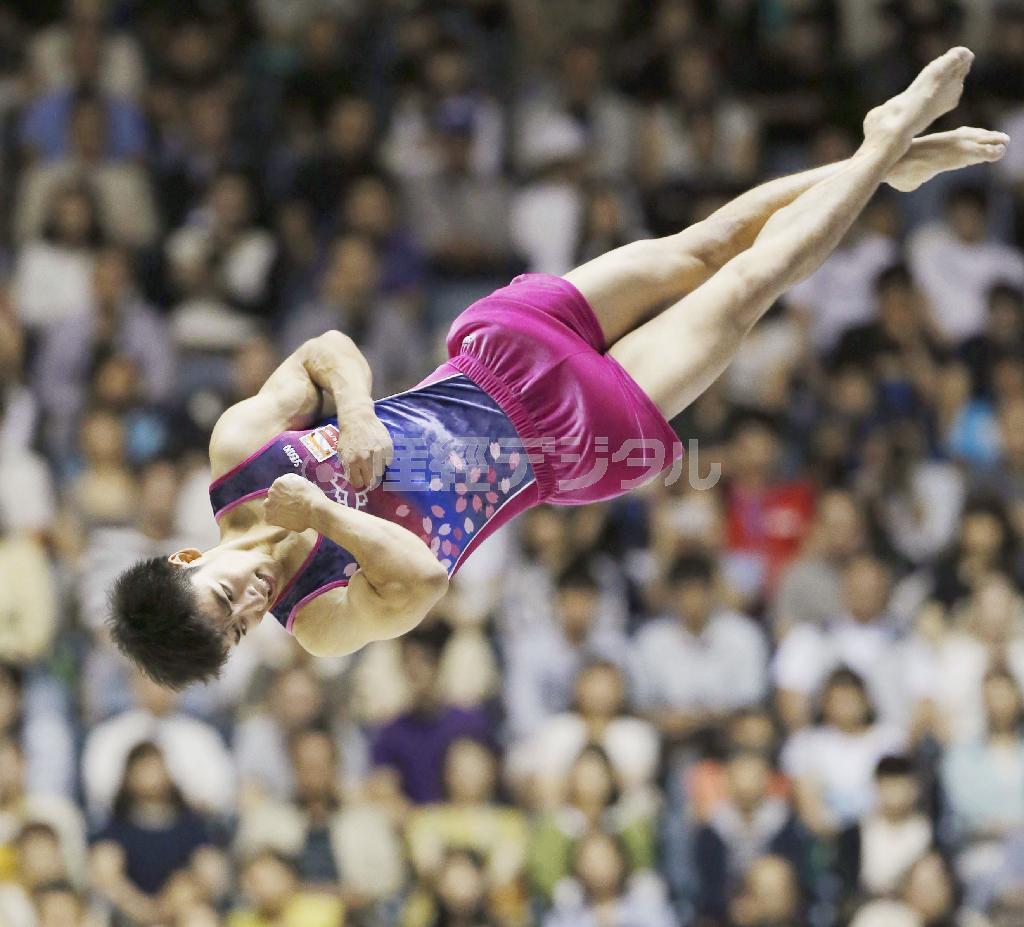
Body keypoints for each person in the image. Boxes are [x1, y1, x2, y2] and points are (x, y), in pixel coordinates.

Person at [109, 48, 1007, 689]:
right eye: (233, 626)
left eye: (222, 594)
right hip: (564, 445)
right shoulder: (317, 619)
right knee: (748, 286)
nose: (246, 602)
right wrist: (331, 516)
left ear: (191, 557)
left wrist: (355, 413)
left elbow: (326, 349)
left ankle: (873, 166)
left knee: (705, 244)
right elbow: (423, 579)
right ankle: (883, 144)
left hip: (497, 353)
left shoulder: (241, 451)